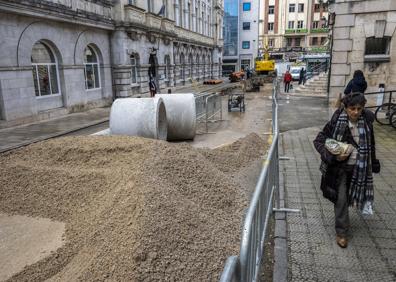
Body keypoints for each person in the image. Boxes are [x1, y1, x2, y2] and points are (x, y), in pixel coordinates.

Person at [313, 93, 380, 248]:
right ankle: (342, 232)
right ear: (346, 108)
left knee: (351, 196)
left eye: (359, 109)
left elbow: (372, 144)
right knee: (341, 199)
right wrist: (333, 156)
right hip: (339, 169)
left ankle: (344, 220)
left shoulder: (367, 122)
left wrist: (374, 162)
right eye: (352, 108)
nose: (356, 112)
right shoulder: (337, 122)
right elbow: (319, 141)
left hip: (359, 169)